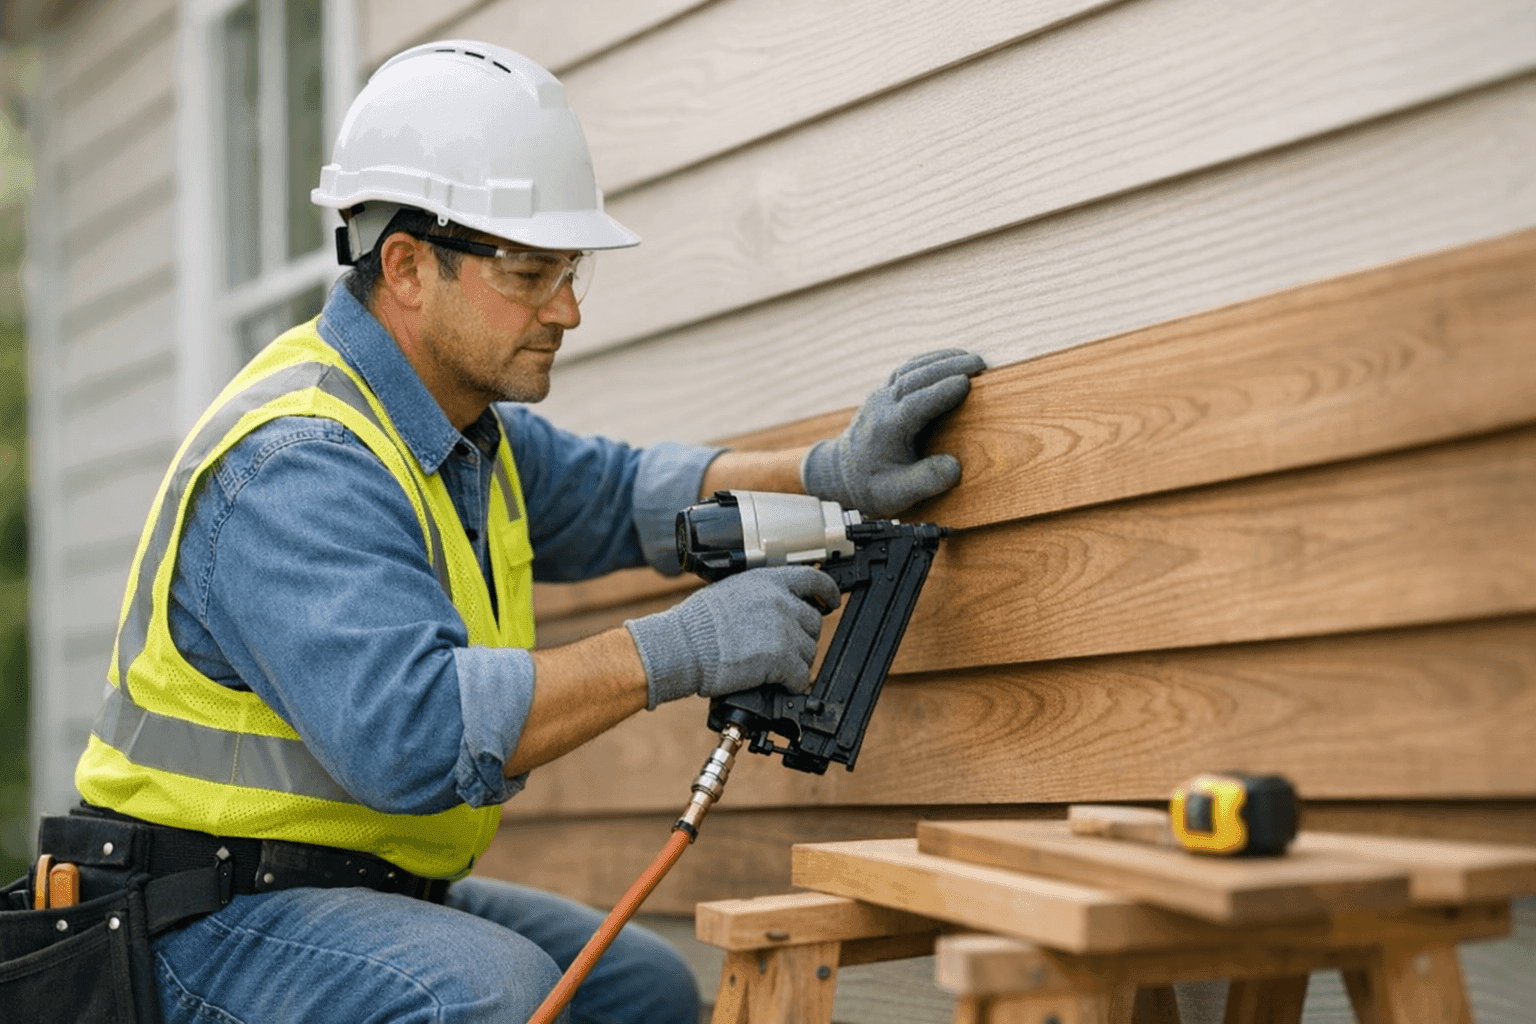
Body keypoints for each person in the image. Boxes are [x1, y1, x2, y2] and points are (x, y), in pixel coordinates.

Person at [64, 40, 986, 1024]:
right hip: (194, 922)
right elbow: (414, 734)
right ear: (410, 266)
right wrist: (688, 645)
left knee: (639, 990)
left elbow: (622, 492)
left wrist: (826, 473)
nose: (570, 309)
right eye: (531, 273)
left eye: (570, 270)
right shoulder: (297, 463)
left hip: (340, 887)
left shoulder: (458, 425)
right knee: (494, 997)